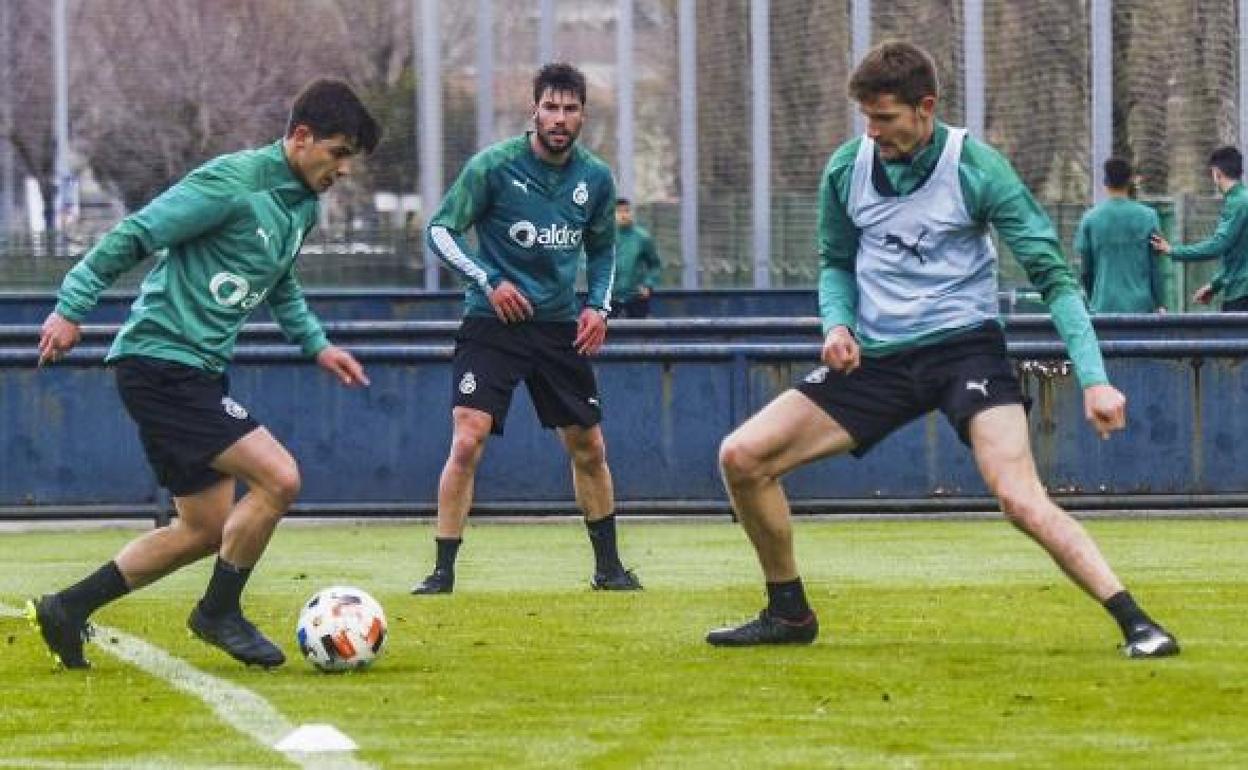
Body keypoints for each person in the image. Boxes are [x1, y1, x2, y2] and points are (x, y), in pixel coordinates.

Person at [705, 41, 1178, 658]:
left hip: (966, 352)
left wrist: (1094, 379)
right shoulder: (847, 169)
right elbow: (835, 263)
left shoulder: (977, 167)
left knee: (1018, 497)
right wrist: (837, 325)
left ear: (925, 108)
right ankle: (789, 614)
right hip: (880, 359)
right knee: (741, 456)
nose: (872, 133)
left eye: (885, 118)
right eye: (867, 119)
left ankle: (1138, 622)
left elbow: (1055, 278)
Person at [27, 79, 381, 669]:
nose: (343, 169)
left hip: (196, 373)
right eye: (338, 152)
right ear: (301, 137)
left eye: (351, 158)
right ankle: (218, 611)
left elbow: (282, 285)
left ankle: (67, 608)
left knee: (204, 529)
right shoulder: (231, 182)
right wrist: (72, 306)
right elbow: (137, 233)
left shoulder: (301, 208)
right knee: (280, 479)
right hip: (161, 364)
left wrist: (317, 345)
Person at [412, 62, 640, 595]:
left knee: (589, 446)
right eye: (551, 107)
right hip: (493, 322)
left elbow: (603, 250)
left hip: (559, 327)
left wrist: (598, 309)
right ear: (533, 111)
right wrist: (489, 279)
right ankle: (442, 571)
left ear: (583, 115)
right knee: (468, 438)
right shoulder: (492, 167)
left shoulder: (596, 179)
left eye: (571, 108)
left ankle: (608, 568)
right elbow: (440, 231)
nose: (560, 118)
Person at [1151, 146, 1248, 310]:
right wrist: (1214, 286)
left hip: (1241, 295)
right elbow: (1239, 259)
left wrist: (1172, 250)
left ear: (1217, 173)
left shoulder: (1237, 203)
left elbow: (1218, 245)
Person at [1076, 158, 1167, 313]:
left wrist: (1093, 298)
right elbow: (1155, 267)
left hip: (1103, 306)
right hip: (1141, 306)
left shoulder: (1090, 219)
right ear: (1130, 181)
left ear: (1105, 181)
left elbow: (1086, 269)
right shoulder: (1149, 217)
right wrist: (1160, 302)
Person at [609, 198, 661, 318]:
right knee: (608, 335)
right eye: (619, 212)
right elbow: (591, 263)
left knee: (640, 335)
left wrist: (647, 285)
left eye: (626, 211)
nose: (623, 215)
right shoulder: (605, 237)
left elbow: (655, 265)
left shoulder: (642, 237)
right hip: (610, 299)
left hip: (636, 297)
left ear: (632, 213)